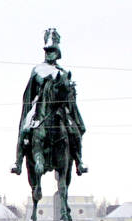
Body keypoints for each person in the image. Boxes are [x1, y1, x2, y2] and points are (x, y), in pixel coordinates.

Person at [12, 28, 87, 177]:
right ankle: (18, 162)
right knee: (25, 129)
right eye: (47, 50)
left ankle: (79, 161)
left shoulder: (63, 73)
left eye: (52, 50)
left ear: (57, 52)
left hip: (60, 110)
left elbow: (68, 96)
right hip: (39, 109)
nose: (49, 53)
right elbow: (30, 93)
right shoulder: (38, 70)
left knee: (74, 131)